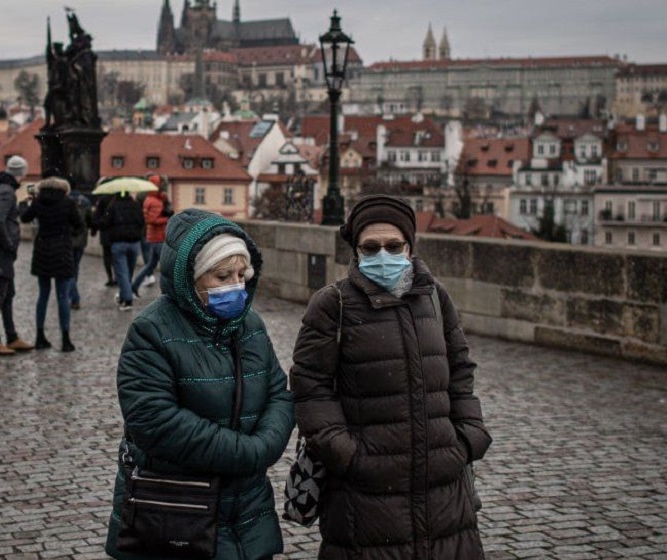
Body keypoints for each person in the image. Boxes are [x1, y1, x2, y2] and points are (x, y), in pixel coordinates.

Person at [290, 195, 492, 559]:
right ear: (356, 251)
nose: (383, 255)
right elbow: (310, 389)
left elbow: (461, 369)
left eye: (393, 245)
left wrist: (466, 439)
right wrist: (350, 458)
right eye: (371, 247)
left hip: (443, 488)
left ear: (410, 246)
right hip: (364, 495)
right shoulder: (331, 304)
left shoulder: (435, 297)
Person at [104, 208, 294, 559]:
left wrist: (266, 443)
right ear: (189, 278)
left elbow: (278, 394)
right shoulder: (152, 330)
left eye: (242, 274)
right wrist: (247, 453)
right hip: (179, 510)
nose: (236, 285)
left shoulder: (250, 325)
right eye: (222, 276)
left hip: (249, 509)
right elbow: (154, 420)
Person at [19, 177, 82, 352]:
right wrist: (67, 232)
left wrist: (24, 204)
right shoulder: (67, 202)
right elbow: (79, 226)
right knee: (63, 297)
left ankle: (40, 336)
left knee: (43, 295)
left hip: (43, 250)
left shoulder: (39, 202)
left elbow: (24, 218)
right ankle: (65, 339)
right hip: (62, 250)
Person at [0, 155, 35, 355]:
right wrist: (10, 243)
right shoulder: (7, 193)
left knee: (7, 294)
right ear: (21, 173)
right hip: (0, 250)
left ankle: (11, 336)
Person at [101, 192, 144, 311]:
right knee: (128, 273)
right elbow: (141, 222)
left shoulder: (113, 205)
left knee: (122, 273)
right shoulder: (136, 205)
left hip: (119, 243)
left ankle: (128, 300)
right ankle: (122, 296)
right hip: (134, 243)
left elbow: (105, 222)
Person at [130, 175, 170, 297]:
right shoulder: (154, 201)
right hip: (158, 237)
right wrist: (167, 219)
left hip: (153, 236)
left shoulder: (150, 198)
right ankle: (167, 293)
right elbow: (151, 220)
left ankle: (134, 286)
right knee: (166, 266)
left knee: (151, 265)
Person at [67, 188, 92, 310]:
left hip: (68, 240)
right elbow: (89, 219)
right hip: (82, 240)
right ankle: (71, 291)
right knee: (75, 267)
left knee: (69, 270)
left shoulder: (66, 201)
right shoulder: (85, 201)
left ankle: (74, 297)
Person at [91, 193, 116, 287]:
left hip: (105, 231)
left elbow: (97, 215)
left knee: (107, 256)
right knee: (116, 256)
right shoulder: (117, 198)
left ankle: (110, 277)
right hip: (116, 232)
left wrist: (94, 230)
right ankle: (117, 277)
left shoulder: (103, 199)